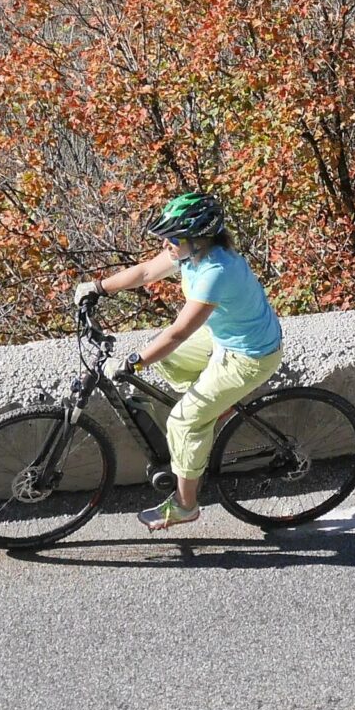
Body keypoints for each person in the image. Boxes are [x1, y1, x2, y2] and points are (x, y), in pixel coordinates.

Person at [81, 190, 283, 532]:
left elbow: (178, 333)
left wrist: (133, 362)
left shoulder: (216, 271)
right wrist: (98, 287)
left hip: (249, 355)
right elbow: (145, 272)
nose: (166, 245)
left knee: (183, 423)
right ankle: (218, 408)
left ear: (199, 238)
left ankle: (186, 505)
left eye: (172, 239)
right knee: (167, 361)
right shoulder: (191, 252)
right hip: (226, 337)